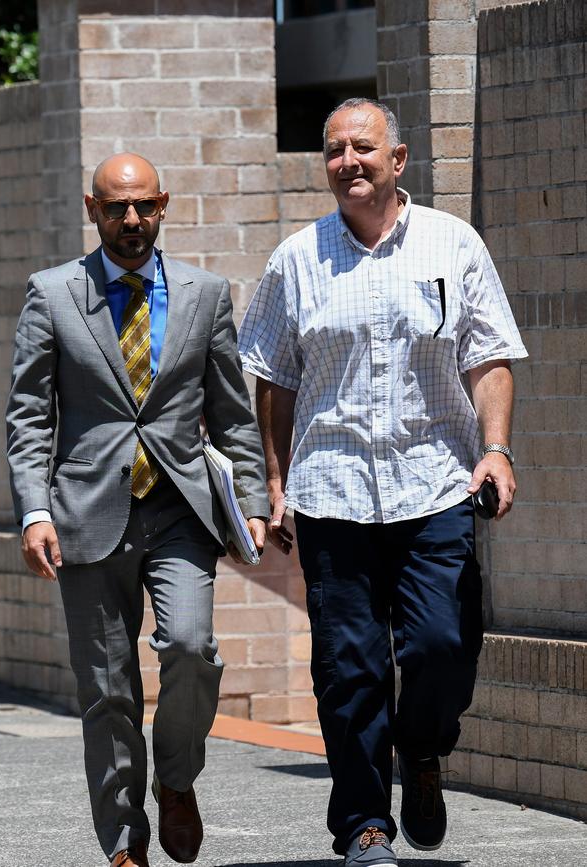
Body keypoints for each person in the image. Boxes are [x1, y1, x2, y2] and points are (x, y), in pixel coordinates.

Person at [238, 98, 527, 867]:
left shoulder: (451, 243)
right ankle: (365, 822)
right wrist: (275, 476)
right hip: (332, 492)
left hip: (434, 484)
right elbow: (273, 376)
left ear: (398, 160)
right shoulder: (296, 259)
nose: (347, 162)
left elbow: (490, 355)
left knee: (443, 644)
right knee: (349, 667)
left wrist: (495, 448)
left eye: (363, 148)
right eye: (334, 150)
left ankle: (424, 752)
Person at [6, 153, 268, 867]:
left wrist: (254, 499)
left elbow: (233, 413)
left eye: (144, 206)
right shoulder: (53, 294)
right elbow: (29, 415)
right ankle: (124, 843)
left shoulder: (206, 293)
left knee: (190, 646)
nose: (131, 221)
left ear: (164, 205)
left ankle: (176, 778)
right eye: (116, 208)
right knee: (108, 690)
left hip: (180, 509)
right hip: (87, 514)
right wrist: (34, 511)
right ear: (93, 209)